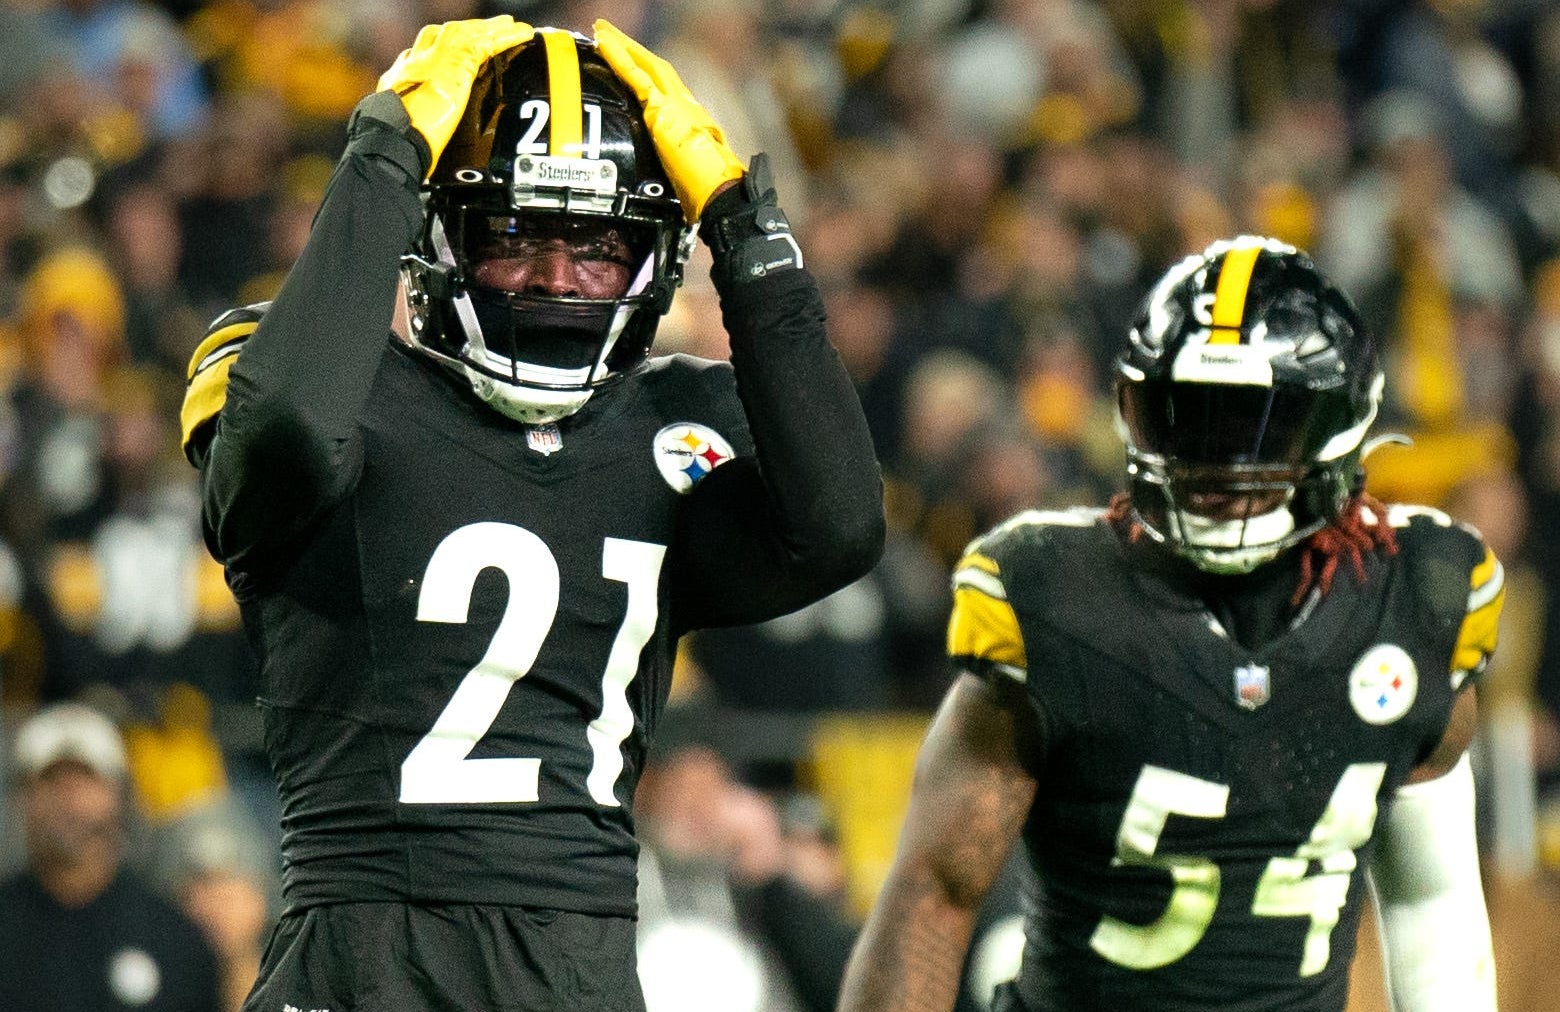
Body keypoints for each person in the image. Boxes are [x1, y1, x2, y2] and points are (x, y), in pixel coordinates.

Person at [177, 15, 883, 1012]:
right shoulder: (318, 387)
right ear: (439, 238)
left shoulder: (670, 421)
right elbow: (285, 434)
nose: (556, 279)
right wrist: (383, 156)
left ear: (654, 257)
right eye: (514, 236)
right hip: (359, 960)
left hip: (575, 970)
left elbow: (841, 525)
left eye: (598, 246)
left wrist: (744, 228)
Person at [836, 235, 1501, 1012]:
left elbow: (1432, 905)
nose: (1221, 464)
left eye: (1258, 426)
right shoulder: (1062, 604)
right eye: (1191, 418)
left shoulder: (1413, 602)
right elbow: (933, 895)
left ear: (1336, 425)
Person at [0, 702, 223, 1011]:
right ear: (22, 797)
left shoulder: (171, 933)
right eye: (52, 780)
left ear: (119, 793)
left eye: (86, 779)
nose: (70, 798)